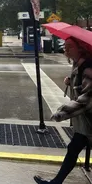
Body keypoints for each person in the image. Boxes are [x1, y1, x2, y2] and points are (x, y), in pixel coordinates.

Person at [34, 38, 92, 184]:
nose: (66, 50)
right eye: (65, 46)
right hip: (86, 120)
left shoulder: (88, 67)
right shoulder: (79, 64)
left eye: (70, 47)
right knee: (73, 149)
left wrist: (63, 112)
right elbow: (80, 85)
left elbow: (87, 98)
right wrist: (70, 80)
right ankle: (56, 182)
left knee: (73, 149)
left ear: (81, 48)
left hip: (89, 119)